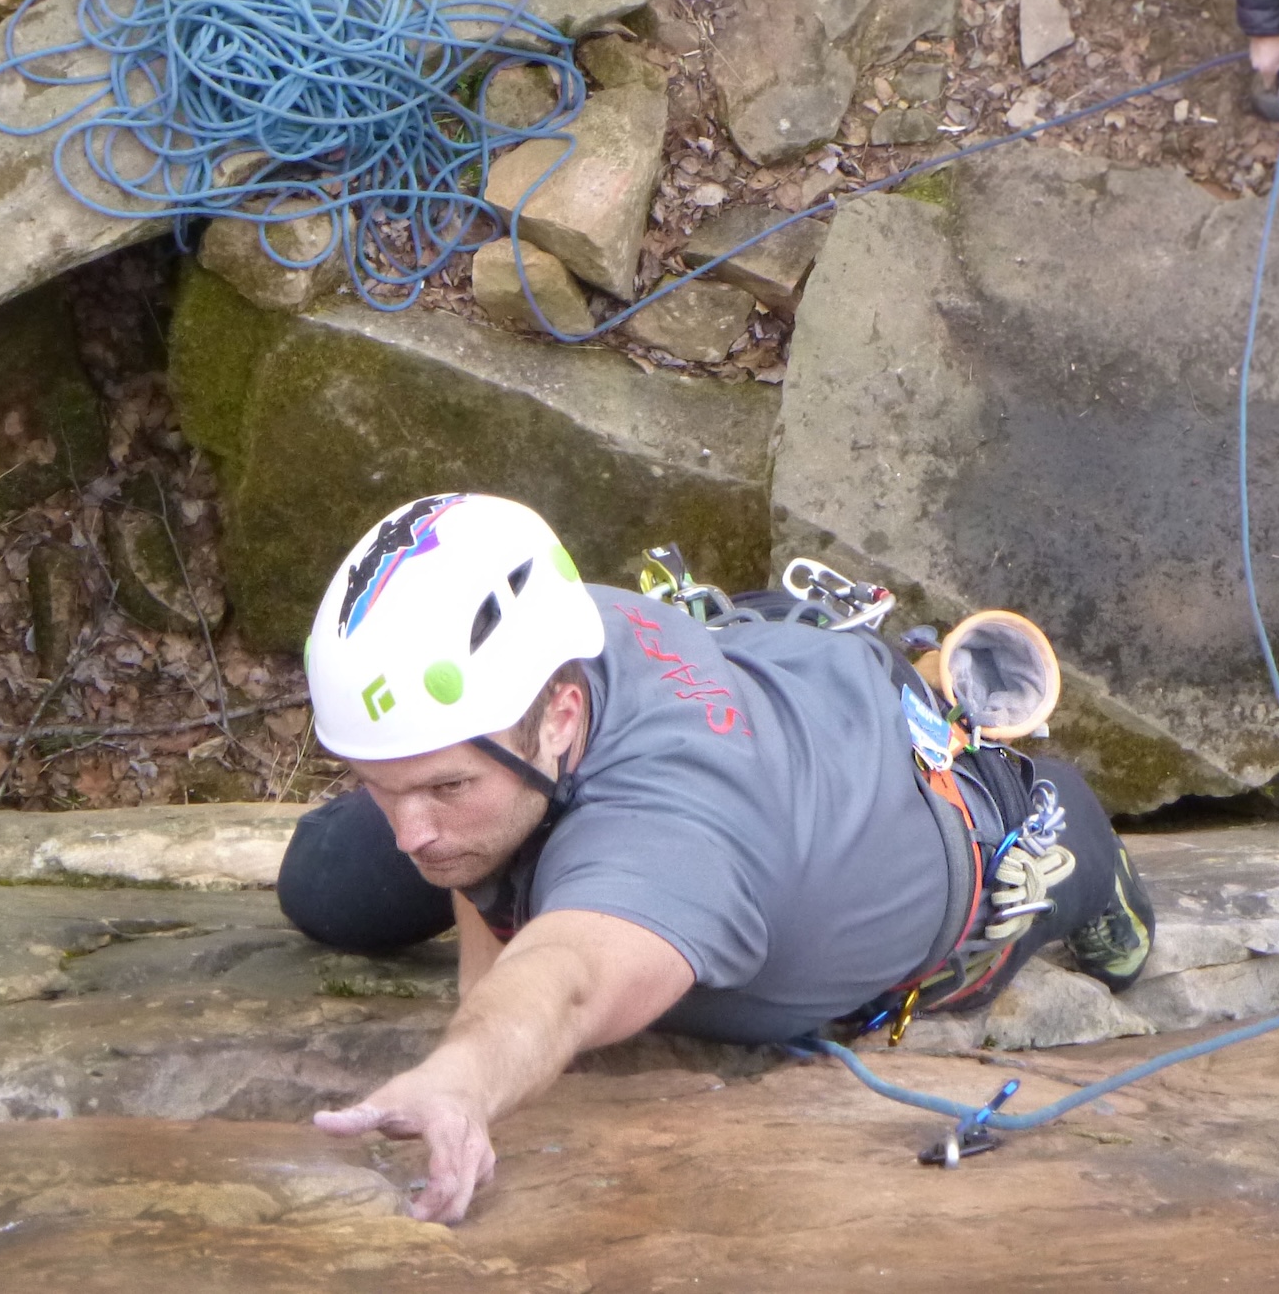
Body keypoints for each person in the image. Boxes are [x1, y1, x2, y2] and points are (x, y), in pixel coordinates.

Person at [277, 493, 1156, 1223]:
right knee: (324, 884)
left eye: (445, 789)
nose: (408, 831)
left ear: (560, 716)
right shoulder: (561, 637)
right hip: (769, 677)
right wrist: (465, 864)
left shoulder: (675, 835)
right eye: (384, 786)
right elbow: (478, 892)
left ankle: (1063, 824)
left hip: (935, 810)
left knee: (1123, 945)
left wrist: (461, 1079)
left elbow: (569, 976)